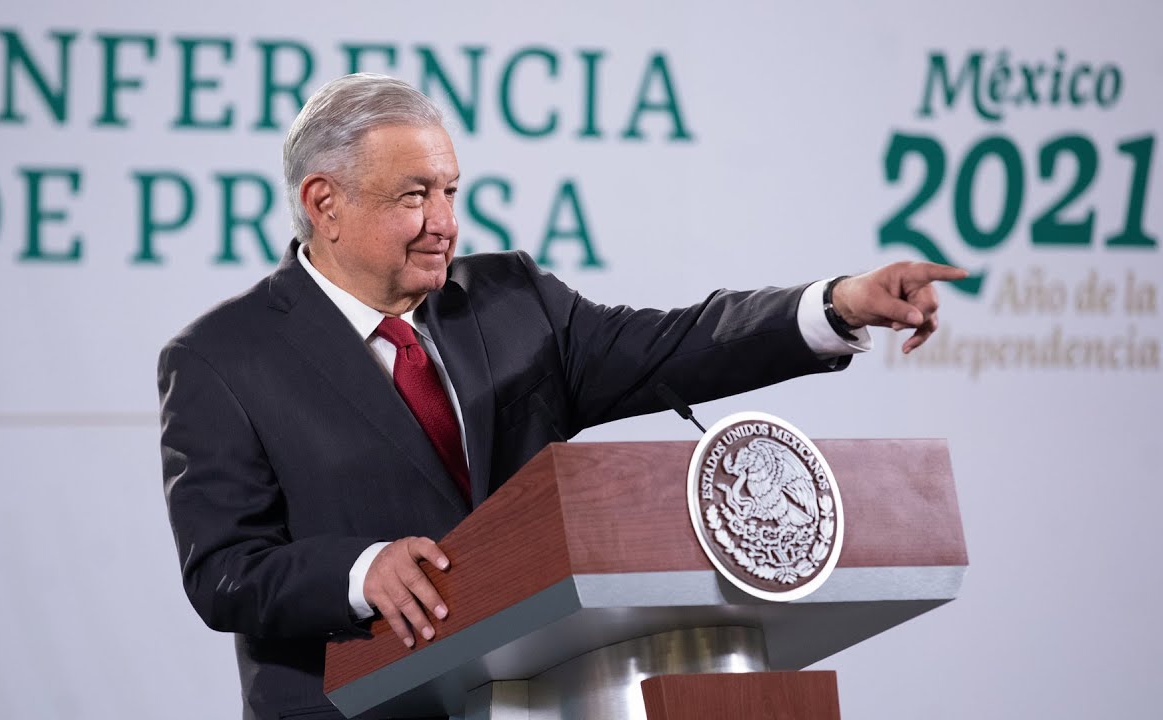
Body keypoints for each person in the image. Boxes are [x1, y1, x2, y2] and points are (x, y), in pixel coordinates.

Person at [156, 73, 966, 720]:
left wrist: (837, 305)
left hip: (544, 698)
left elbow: (675, 343)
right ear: (324, 203)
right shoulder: (220, 359)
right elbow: (225, 571)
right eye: (414, 196)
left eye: (451, 191)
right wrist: (362, 571)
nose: (444, 222)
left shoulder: (512, 301)